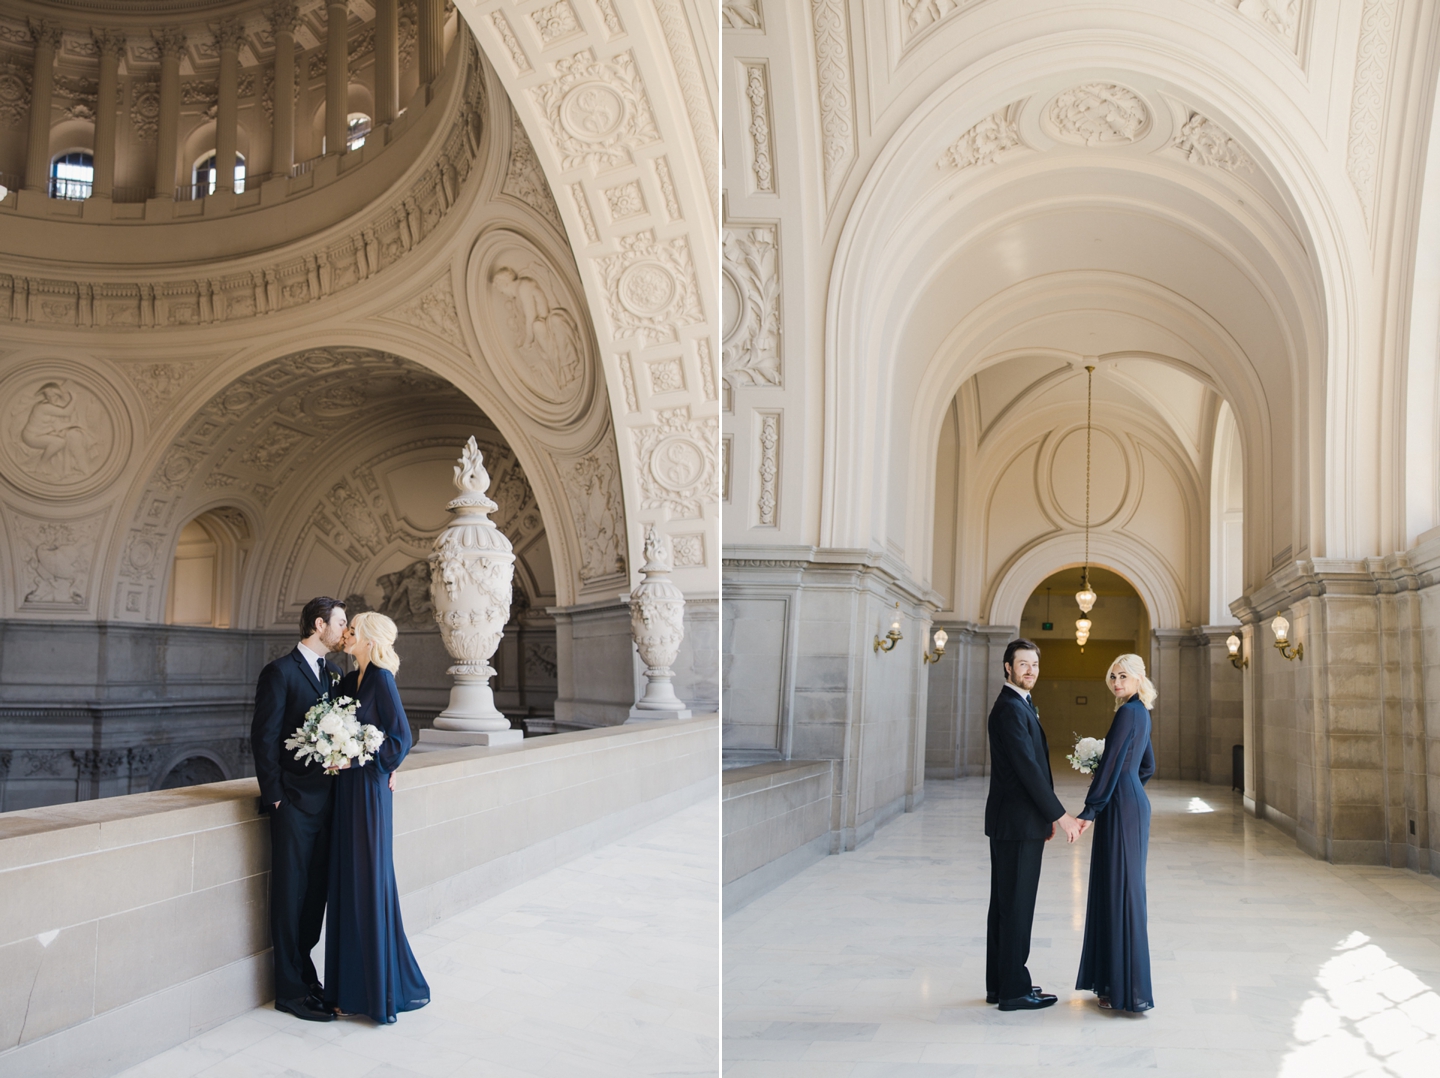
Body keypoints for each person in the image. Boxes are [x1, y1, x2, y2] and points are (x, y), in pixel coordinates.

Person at [324, 611, 430, 1023]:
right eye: (345, 629)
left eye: (353, 631)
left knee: (368, 881)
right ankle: (346, 991)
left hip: (368, 791)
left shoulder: (382, 678)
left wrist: (377, 764)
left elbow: (401, 736)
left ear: (368, 639)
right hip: (345, 790)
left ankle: (375, 995)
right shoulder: (349, 681)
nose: (346, 634)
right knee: (345, 882)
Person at [251, 596, 348, 1022]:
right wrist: (275, 797)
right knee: (290, 898)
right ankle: (288, 992)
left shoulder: (334, 672)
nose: (345, 630)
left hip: (328, 804)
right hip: (292, 804)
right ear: (318, 624)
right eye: (341, 622)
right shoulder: (279, 672)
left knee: (315, 898)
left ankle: (307, 976)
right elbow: (264, 737)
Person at [984, 639, 1082, 1011]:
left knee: (1006, 905)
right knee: (1017, 906)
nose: (1030, 671)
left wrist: (1046, 816)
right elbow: (1028, 770)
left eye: (1035, 665)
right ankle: (1013, 990)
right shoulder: (1010, 708)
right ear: (1007, 668)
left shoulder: (1017, 704)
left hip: (1018, 821)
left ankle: (1000, 983)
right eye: (1022, 664)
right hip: (1017, 823)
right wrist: (1060, 814)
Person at [1075, 653, 1157, 1013]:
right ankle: (1116, 983)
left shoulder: (1127, 712)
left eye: (1123, 675)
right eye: (1112, 676)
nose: (1116, 681)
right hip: (1131, 804)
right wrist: (1128, 787)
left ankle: (1121, 989)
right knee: (1123, 889)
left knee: (1119, 890)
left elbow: (1110, 764)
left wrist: (1091, 809)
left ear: (1139, 678)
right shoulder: (1141, 712)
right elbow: (1148, 766)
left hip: (1120, 809)